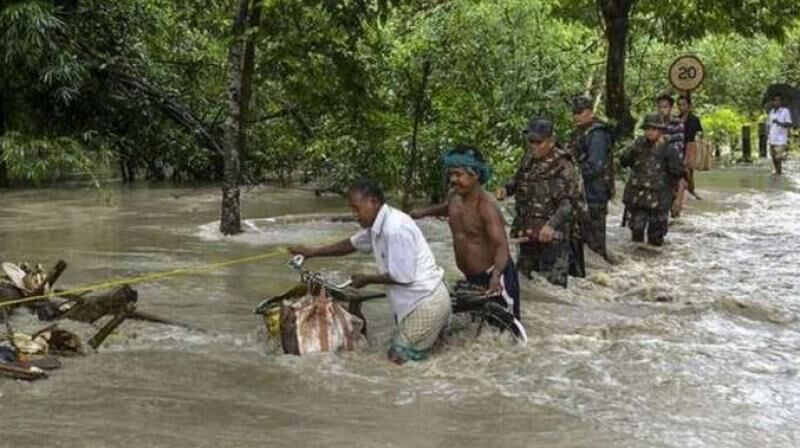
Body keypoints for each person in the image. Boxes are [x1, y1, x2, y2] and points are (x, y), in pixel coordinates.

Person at [289, 179, 451, 364]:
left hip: (426, 302)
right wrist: (311, 252)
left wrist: (367, 279)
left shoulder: (394, 228)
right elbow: (350, 244)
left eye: (356, 208)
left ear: (373, 202)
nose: (354, 215)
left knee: (397, 359)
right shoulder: (378, 225)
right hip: (419, 301)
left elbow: (403, 276)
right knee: (422, 359)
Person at [409, 145, 520, 318]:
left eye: (458, 174)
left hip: (494, 276)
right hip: (471, 276)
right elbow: (448, 208)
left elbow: (501, 247)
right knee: (475, 328)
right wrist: (422, 213)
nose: (453, 179)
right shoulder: (454, 195)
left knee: (504, 328)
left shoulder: (486, 206)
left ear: (475, 175)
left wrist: (496, 276)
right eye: (451, 174)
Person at [497, 118, 584, 287]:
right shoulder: (528, 160)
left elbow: (569, 202)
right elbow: (516, 182)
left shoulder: (564, 165)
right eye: (531, 141)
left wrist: (551, 225)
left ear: (551, 141)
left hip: (553, 237)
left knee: (552, 289)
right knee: (524, 284)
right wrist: (505, 190)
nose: (534, 146)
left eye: (539, 142)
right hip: (527, 232)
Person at [620, 114, 684, 246]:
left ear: (660, 130)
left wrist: (677, 199)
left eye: (654, 129)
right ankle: (637, 264)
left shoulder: (669, 149)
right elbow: (624, 161)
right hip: (638, 197)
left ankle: (656, 264)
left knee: (655, 237)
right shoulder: (637, 145)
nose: (650, 132)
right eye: (647, 129)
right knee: (636, 233)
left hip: (660, 199)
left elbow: (678, 174)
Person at [571, 96, 614, 260]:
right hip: (582, 193)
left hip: (595, 193)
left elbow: (595, 165)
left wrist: (572, 175)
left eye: (579, 112)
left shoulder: (597, 134)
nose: (575, 116)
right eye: (574, 112)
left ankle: (602, 273)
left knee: (595, 241)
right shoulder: (579, 132)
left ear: (589, 112)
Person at [655, 93, 687, 218]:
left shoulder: (676, 122)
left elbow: (678, 143)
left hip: (672, 160)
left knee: (674, 195)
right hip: (655, 160)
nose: (662, 110)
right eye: (660, 107)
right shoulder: (653, 121)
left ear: (670, 108)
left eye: (665, 107)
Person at [678, 94, 703, 198]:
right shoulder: (676, 119)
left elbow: (700, 133)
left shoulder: (695, 119)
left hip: (690, 148)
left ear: (689, 106)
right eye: (679, 105)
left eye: (683, 105)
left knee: (689, 172)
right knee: (680, 171)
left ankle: (691, 190)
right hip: (678, 147)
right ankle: (682, 191)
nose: (681, 107)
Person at [767, 93, 793, 175]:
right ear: (773, 102)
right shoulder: (771, 112)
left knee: (778, 157)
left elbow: (788, 124)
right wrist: (767, 134)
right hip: (772, 137)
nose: (777, 102)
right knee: (773, 157)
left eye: (779, 100)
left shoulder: (785, 111)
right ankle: (777, 171)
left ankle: (778, 172)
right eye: (775, 100)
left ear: (781, 101)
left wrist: (778, 122)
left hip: (781, 138)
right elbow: (769, 124)